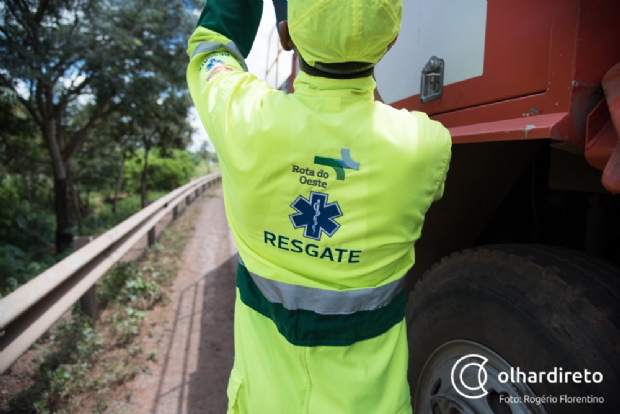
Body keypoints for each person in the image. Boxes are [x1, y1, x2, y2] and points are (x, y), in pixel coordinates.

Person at [186, 0, 451, 412]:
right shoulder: (425, 146)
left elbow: (210, 48)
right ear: (392, 41)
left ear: (287, 35)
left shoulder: (243, 118)